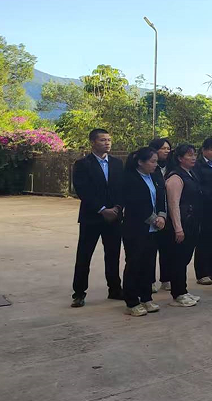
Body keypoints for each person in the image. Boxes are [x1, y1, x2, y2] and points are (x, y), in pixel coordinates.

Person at [70, 128, 124, 308]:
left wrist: (117, 207)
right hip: (91, 217)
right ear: (93, 142)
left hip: (114, 217)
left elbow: (122, 188)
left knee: (113, 254)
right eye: (102, 140)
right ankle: (79, 293)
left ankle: (115, 289)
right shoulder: (82, 164)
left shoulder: (117, 163)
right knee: (84, 256)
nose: (107, 143)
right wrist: (101, 209)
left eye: (109, 139)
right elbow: (82, 190)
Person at [120, 147, 167, 316]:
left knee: (148, 263)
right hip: (136, 227)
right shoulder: (129, 178)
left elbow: (161, 198)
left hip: (154, 229)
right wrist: (154, 219)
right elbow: (135, 204)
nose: (155, 165)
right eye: (152, 161)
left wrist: (162, 216)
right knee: (134, 263)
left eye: (156, 161)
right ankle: (131, 302)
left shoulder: (155, 176)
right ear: (140, 162)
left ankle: (146, 298)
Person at [165, 144, 203, 307]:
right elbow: (173, 204)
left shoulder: (191, 173)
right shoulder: (175, 177)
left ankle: (183, 290)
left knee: (185, 258)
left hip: (192, 222)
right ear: (180, 158)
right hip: (182, 223)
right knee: (178, 260)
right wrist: (178, 228)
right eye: (189, 155)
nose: (193, 158)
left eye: (194, 154)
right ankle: (178, 294)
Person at [192, 137, 212, 287]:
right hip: (204, 207)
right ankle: (202, 273)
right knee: (204, 241)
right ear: (204, 150)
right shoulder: (197, 165)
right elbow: (197, 185)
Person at [148, 137, 173, 292]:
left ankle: (166, 278)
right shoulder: (150, 168)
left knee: (167, 248)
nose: (166, 151)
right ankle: (149, 280)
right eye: (163, 148)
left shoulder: (172, 166)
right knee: (151, 249)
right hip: (152, 215)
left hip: (169, 214)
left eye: (168, 148)